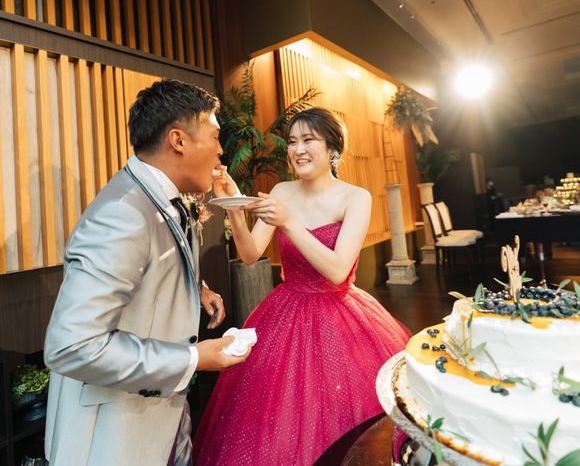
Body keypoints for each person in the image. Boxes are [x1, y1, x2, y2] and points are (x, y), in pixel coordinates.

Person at [43, 79, 251, 466]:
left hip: (163, 418)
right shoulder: (123, 212)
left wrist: (197, 288)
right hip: (114, 437)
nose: (221, 150)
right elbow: (73, 346)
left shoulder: (157, 195)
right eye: (214, 136)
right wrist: (192, 359)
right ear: (178, 140)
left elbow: (154, 262)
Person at [192, 107, 411, 465]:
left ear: (332, 148)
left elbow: (338, 270)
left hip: (341, 314)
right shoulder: (283, 191)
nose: (298, 150)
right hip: (286, 310)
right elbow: (250, 254)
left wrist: (290, 222)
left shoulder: (355, 198)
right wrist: (234, 206)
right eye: (292, 142)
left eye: (308, 140)